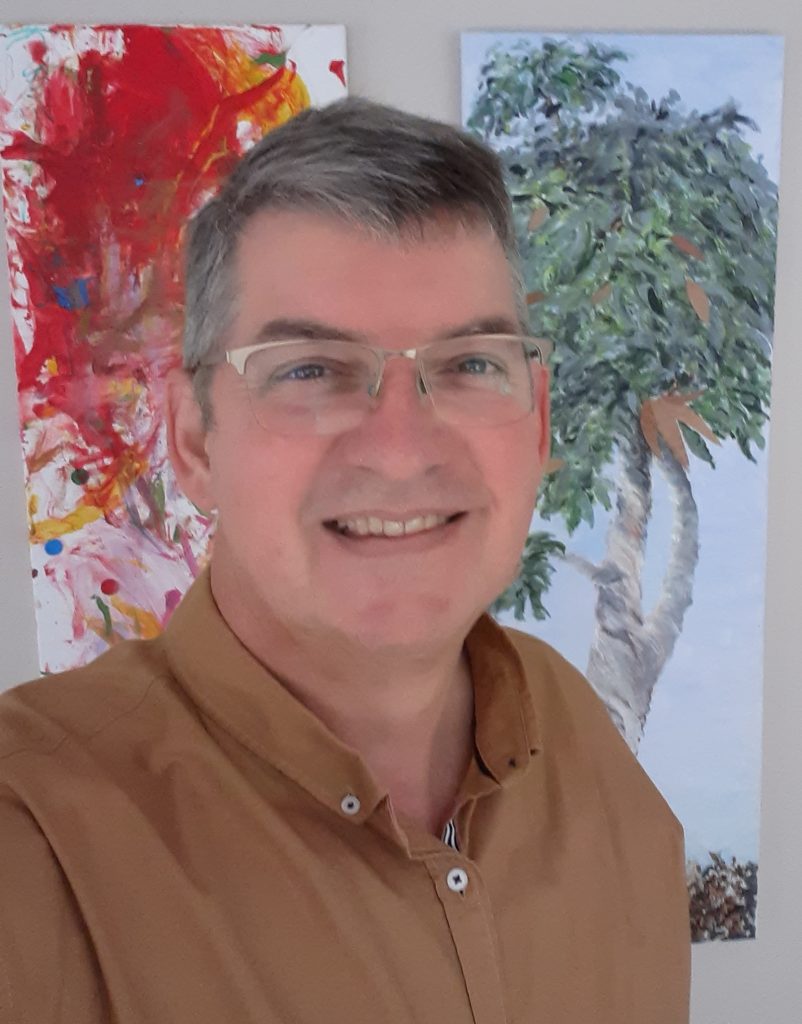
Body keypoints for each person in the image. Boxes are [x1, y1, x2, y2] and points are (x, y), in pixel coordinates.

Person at [0, 99, 690, 1023]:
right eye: (311, 370)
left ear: (536, 424)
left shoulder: (592, 754)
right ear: (195, 440)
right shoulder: (33, 844)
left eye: (470, 364)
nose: (400, 450)